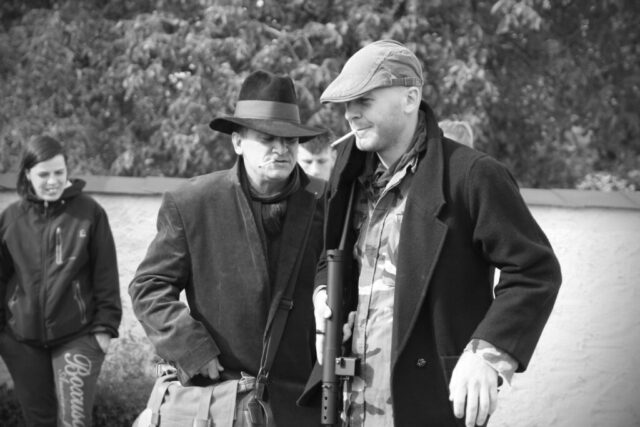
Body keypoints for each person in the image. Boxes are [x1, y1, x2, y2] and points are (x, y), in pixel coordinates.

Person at [308, 40, 562, 426]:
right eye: (346, 104)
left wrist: (487, 353)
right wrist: (323, 294)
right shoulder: (346, 173)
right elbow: (328, 257)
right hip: (348, 405)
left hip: (428, 406)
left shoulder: (471, 175)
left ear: (411, 98)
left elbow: (534, 271)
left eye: (364, 101)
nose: (351, 114)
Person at [129, 70, 328, 426]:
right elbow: (148, 288)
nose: (281, 149)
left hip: (303, 404)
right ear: (237, 142)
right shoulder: (193, 202)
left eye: (290, 140)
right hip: (220, 399)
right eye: (267, 138)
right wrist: (192, 347)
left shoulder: (326, 201)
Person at [0, 135, 122, 426]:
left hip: (78, 335)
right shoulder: (11, 218)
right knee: (38, 420)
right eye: (44, 174)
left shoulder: (89, 213)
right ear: (27, 174)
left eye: (59, 172)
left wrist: (105, 328)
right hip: (21, 341)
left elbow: (105, 274)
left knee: (74, 422)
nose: (53, 181)